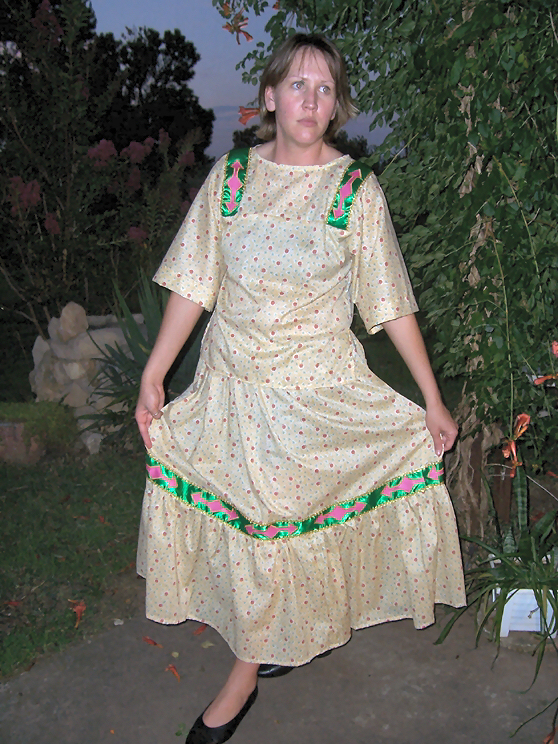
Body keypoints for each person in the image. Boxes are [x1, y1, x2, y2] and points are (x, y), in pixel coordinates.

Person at [135, 33, 465, 744]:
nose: (309, 100)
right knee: (257, 528)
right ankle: (273, 637)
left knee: (278, 527)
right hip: (230, 389)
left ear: (335, 104)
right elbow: (194, 282)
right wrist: (154, 372)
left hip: (314, 398)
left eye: (323, 89)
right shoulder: (230, 180)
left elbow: (389, 303)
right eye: (296, 85)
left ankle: (243, 677)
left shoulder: (354, 192)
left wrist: (432, 398)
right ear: (269, 97)